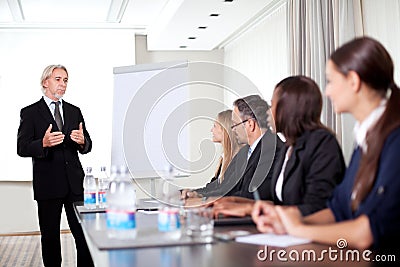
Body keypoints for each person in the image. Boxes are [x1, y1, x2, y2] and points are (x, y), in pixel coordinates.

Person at [252, 37, 400, 253]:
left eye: (330, 81)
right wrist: (287, 221)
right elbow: (337, 210)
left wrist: (298, 229)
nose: (327, 91)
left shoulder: (394, 139)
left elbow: (365, 234)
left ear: (353, 81)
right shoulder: (366, 139)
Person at [213, 76, 345, 217]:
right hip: (283, 231)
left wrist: (250, 209)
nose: (268, 112)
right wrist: (233, 201)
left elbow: (316, 208)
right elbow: (278, 203)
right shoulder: (290, 147)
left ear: (289, 108)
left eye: (272, 105)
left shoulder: (322, 143)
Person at [17, 65, 94, 266]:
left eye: (66, 80)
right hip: (48, 185)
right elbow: (22, 147)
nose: (63, 84)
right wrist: (42, 143)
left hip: (75, 185)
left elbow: (88, 145)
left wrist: (82, 141)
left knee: (84, 236)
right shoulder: (30, 112)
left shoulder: (74, 111)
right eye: (58, 79)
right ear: (45, 82)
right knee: (50, 238)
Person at [200, 95, 283, 200]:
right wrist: (200, 196)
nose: (233, 130)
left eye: (235, 125)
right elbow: (228, 188)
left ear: (250, 124)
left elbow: (255, 195)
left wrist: (207, 200)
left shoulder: (273, 151)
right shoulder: (245, 152)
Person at [182, 110, 242, 198]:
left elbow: (225, 190)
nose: (211, 130)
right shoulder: (225, 158)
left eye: (215, 126)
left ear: (225, 130)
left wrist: (198, 194)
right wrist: (192, 192)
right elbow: (212, 187)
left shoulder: (239, 159)